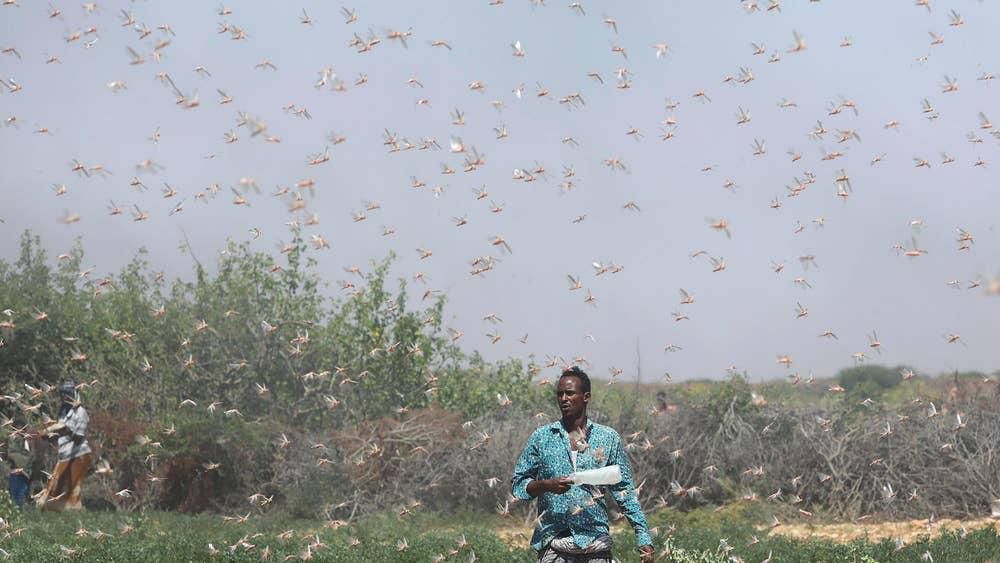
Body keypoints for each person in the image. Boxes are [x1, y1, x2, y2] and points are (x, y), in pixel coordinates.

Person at [512, 367, 655, 563]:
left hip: (595, 543)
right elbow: (518, 485)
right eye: (559, 394)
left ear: (586, 397)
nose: (563, 398)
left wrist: (643, 536)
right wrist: (547, 485)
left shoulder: (608, 438)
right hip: (554, 543)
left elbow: (625, 492)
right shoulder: (542, 437)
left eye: (569, 393)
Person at [37, 380, 93, 511]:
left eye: (66, 394)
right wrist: (49, 434)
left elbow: (78, 437)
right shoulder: (65, 411)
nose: (64, 397)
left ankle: (73, 514)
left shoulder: (81, 413)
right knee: (56, 486)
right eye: (63, 395)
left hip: (78, 455)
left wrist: (63, 430)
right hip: (65, 455)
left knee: (71, 489)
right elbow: (61, 429)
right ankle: (56, 512)